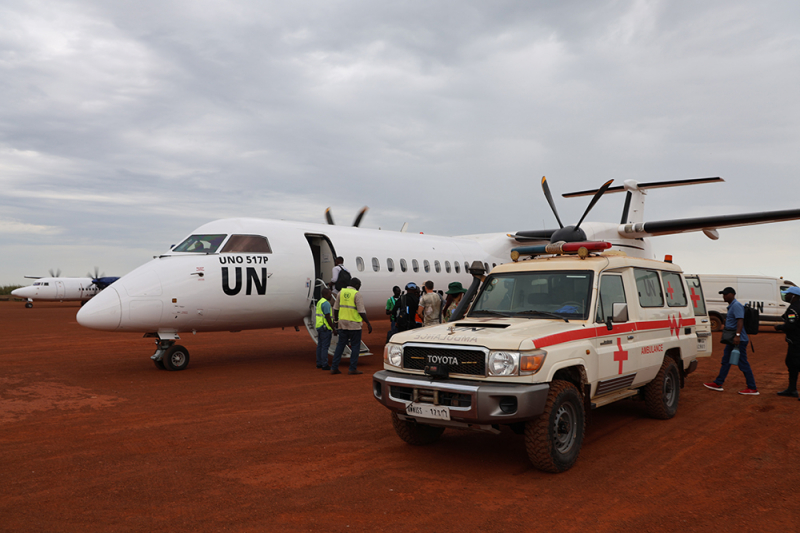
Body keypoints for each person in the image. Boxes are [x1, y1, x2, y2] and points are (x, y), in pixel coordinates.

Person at [704, 287, 758, 395]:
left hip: (738, 340)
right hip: (732, 340)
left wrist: (737, 336)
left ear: (732, 294)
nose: (724, 296)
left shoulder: (736, 305)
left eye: (726, 294)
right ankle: (718, 383)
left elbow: (740, 321)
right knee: (726, 361)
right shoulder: (732, 306)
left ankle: (752, 388)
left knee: (743, 363)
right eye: (723, 294)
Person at [330, 277, 372, 375]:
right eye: (359, 286)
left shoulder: (341, 292)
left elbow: (335, 309)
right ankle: (352, 368)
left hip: (342, 323)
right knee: (355, 346)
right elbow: (361, 311)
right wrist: (368, 323)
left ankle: (334, 367)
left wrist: (336, 321)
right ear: (356, 285)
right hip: (354, 325)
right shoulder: (357, 294)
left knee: (340, 345)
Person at [775, 286, 800, 398]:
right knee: (792, 364)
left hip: (796, 342)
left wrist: (779, 327)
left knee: (794, 363)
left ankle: (792, 389)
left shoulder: (793, 309)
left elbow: (791, 325)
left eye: (788, 294)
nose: (785, 295)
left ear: (794, 296)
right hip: (796, 340)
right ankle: (791, 389)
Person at [314, 288, 336, 370]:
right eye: (330, 294)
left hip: (319, 326)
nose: (331, 296)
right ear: (325, 295)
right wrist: (333, 328)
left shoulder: (320, 302)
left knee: (320, 345)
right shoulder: (326, 303)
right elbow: (328, 317)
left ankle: (319, 363)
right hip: (325, 328)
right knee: (325, 347)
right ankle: (324, 364)